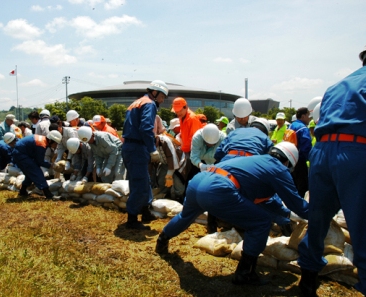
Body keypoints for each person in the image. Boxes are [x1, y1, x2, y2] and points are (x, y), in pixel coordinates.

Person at [155, 142, 309, 286]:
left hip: (199, 181)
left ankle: (162, 241)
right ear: (288, 162)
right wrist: (316, 214)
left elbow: (265, 201)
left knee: (186, 216)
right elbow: (296, 203)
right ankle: (245, 273)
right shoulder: (279, 169)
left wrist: (287, 214)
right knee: (261, 222)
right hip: (218, 189)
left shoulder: (256, 160)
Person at [297, 45, 366, 297]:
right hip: (357, 152)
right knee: (362, 224)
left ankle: (307, 279)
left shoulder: (337, 85)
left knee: (318, 219)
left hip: (323, 153)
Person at [122, 80, 168, 230]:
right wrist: (152, 149)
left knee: (144, 180)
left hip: (129, 146)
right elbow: (146, 128)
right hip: (137, 147)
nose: (162, 100)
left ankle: (146, 211)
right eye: (162, 97)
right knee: (139, 184)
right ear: (155, 93)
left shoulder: (136, 103)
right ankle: (132, 218)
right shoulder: (150, 104)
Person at [12, 130, 62, 200]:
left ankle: (22, 191)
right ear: (51, 140)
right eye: (56, 143)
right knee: (37, 172)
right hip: (21, 155)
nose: (56, 146)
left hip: (21, 154)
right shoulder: (41, 144)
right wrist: (51, 165)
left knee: (30, 173)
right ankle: (49, 195)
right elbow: (40, 161)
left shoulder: (42, 141)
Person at [288, 107, 312, 198]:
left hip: (290, 159)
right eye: (308, 116)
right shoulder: (303, 128)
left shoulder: (291, 125)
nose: (309, 118)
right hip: (300, 161)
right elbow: (306, 147)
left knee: (293, 185)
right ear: (303, 116)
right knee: (302, 187)